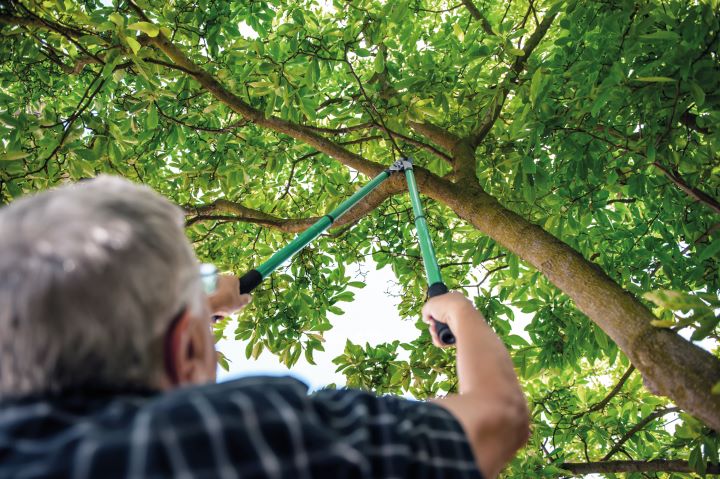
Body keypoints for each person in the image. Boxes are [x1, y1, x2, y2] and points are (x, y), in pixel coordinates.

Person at [0, 176, 529, 479]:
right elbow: (495, 417)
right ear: (185, 347)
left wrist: (195, 295)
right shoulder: (226, 438)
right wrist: (458, 309)